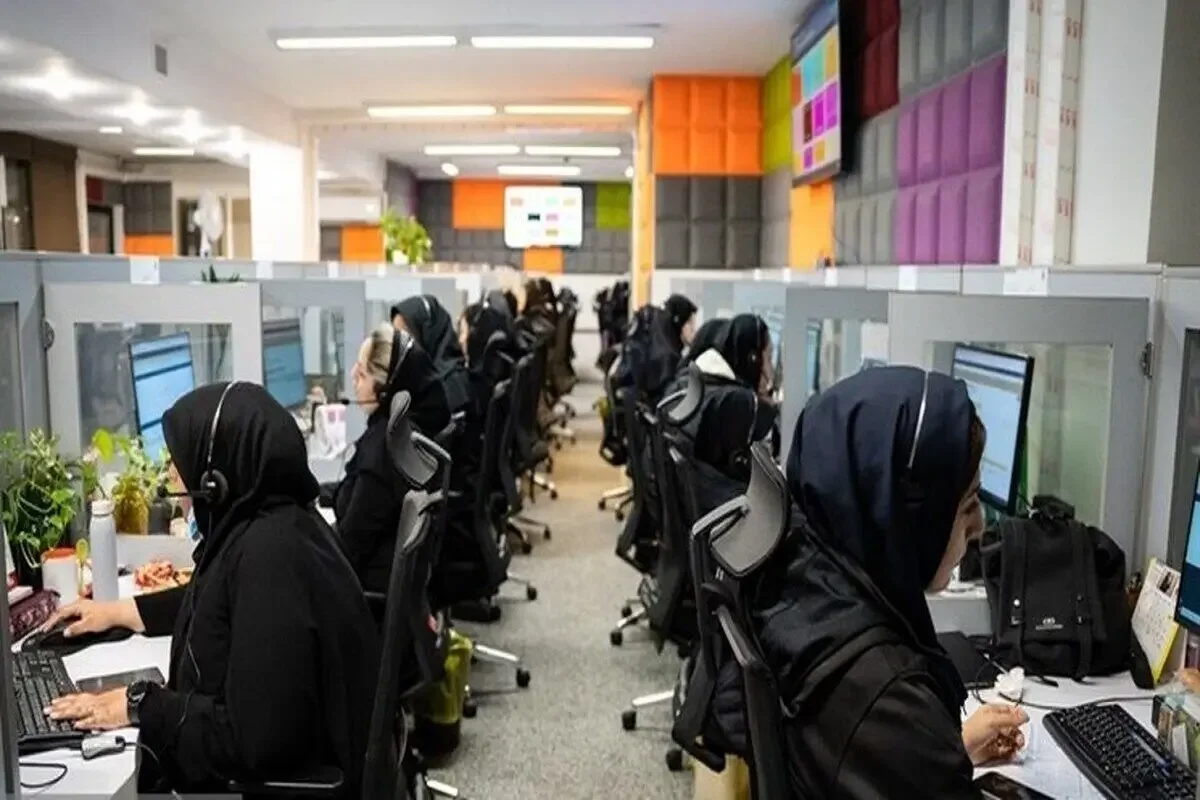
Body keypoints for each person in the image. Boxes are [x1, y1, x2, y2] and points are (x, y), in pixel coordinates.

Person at [44, 382, 379, 795]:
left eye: (179, 467)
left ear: (215, 482)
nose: (173, 481)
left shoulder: (269, 560)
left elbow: (252, 741)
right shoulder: (282, 524)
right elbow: (217, 600)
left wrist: (142, 705)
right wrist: (119, 612)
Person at [750, 367, 1027, 796]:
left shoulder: (806, 584)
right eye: (968, 503)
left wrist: (943, 754)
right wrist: (929, 753)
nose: (979, 528)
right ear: (909, 516)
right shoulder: (888, 698)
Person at [334, 323, 450, 593]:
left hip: (360, 593)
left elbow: (349, 547)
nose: (352, 376)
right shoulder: (400, 437)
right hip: (388, 583)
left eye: (362, 373)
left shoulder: (379, 456)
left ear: (385, 391)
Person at [391, 295, 471, 414]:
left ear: (426, 333)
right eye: (397, 336)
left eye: (406, 334)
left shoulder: (454, 385)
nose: (400, 343)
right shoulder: (412, 380)